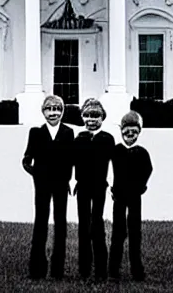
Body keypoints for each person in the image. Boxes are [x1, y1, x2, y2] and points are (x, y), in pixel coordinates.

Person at [22, 94, 74, 280]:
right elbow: (26, 159)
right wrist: (35, 172)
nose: (53, 113)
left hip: (61, 185)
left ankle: (57, 270)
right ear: (43, 112)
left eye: (57, 109)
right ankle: (37, 269)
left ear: (62, 111)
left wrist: (68, 179)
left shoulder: (68, 133)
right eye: (49, 109)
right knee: (40, 223)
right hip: (42, 185)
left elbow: (71, 160)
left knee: (60, 225)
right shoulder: (36, 133)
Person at [108, 111, 153, 282]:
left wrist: (141, 186)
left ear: (139, 132)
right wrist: (112, 188)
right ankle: (113, 270)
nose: (130, 134)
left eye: (134, 131)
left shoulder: (142, 153)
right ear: (121, 130)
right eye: (127, 130)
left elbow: (148, 170)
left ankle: (137, 270)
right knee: (117, 233)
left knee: (135, 233)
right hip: (118, 197)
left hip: (135, 197)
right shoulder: (116, 151)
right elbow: (107, 169)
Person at [73, 98, 114, 280]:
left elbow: (116, 163)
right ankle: (84, 270)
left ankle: (101, 271)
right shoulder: (79, 139)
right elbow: (71, 162)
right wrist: (71, 181)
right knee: (83, 226)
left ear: (102, 117)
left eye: (96, 115)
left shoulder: (107, 139)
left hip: (99, 188)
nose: (91, 119)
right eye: (88, 115)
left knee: (97, 224)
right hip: (82, 187)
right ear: (82, 117)